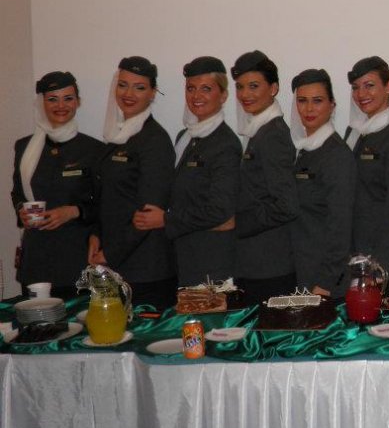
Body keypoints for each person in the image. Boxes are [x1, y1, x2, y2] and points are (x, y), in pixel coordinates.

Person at [132, 56, 240, 286]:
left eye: (206, 89)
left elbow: (219, 210)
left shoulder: (225, 143)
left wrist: (165, 219)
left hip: (211, 263)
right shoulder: (186, 136)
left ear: (223, 95)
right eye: (191, 88)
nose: (196, 96)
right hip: (183, 257)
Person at [88, 57, 176, 309]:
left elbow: (148, 213)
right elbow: (107, 196)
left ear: (152, 93)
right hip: (116, 262)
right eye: (123, 85)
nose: (128, 94)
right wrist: (96, 234)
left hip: (146, 268)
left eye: (139, 87)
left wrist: (110, 253)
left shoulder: (154, 140)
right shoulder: (116, 134)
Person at [11, 71, 103, 299]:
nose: (61, 106)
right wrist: (21, 210)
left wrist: (74, 211)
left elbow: (106, 204)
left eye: (68, 98)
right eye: (52, 99)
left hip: (77, 259)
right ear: (42, 103)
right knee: (35, 321)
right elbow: (18, 193)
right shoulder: (25, 147)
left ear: (78, 102)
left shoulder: (94, 150)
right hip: (36, 259)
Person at [231, 50, 299, 306]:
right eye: (240, 87)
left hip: (270, 266)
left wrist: (238, 222)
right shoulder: (258, 131)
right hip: (255, 263)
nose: (245, 94)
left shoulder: (273, 135)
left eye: (253, 86)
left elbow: (286, 205)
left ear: (273, 88)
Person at [345, 56, 389, 283]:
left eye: (369, 85)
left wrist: (379, 266)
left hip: (382, 260)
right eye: (356, 87)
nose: (361, 94)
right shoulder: (354, 133)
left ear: (388, 86)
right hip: (356, 253)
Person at [289, 68, 356, 298]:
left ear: (332, 105)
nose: (309, 109)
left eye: (317, 101)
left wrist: (326, 282)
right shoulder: (302, 149)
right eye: (302, 101)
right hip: (302, 268)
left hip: (324, 280)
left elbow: (341, 226)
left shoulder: (336, 154)